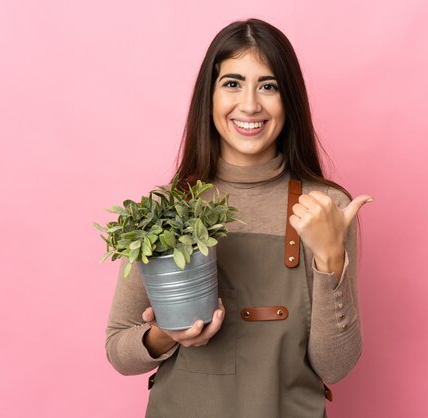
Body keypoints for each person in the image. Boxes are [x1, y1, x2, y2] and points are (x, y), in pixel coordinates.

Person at [105, 18, 373, 418]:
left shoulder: (326, 207)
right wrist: (166, 335)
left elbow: (335, 367)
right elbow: (119, 349)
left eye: (269, 86)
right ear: (208, 97)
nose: (250, 104)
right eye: (232, 83)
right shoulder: (165, 209)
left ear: (290, 100)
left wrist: (330, 259)